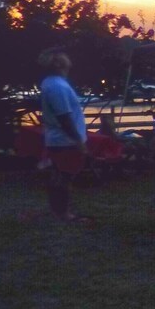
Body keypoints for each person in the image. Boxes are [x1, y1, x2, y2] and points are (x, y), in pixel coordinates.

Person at [38, 48, 90, 223]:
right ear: (59, 63)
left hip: (59, 139)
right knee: (65, 178)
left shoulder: (52, 83)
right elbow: (64, 118)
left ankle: (58, 211)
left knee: (59, 176)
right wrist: (78, 140)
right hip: (65, 141)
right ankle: (64, 213)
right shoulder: (57, 87)